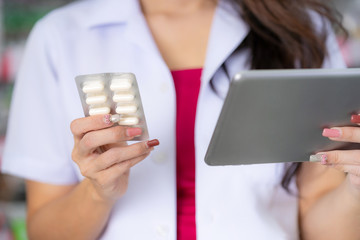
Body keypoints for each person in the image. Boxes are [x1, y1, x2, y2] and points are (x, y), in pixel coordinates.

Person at [2, 0, 360, 239]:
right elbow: (45, 231)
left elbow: (321, 225)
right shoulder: (60, 36)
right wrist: (98, 192)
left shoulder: (302, 30)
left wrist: (356, 187)